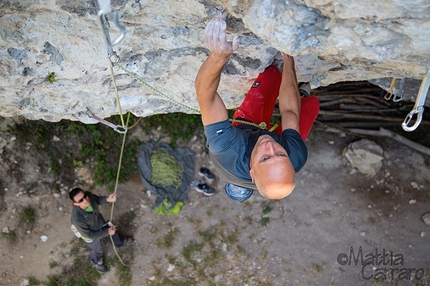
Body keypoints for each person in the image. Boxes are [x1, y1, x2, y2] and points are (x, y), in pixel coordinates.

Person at [195, 17, 320, 201]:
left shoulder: (227, 148)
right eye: (280, 153)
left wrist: (218, 56)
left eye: (265, 158)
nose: (270, 146)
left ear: (252, 173)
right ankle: (299, 91)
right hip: (261, 149)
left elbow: (206, 95)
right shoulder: (295, 157)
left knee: (271, 75)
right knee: (311, 105)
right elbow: (289, 112)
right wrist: (288, 57)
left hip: (245, 129)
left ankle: (281, 82)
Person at [69, 188, 134, 273]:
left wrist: (108, 199)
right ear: (76, 204)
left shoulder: (89, 196)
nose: (85, 199)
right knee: (96, 249)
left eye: (85, 196)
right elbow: (88, 235)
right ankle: (97, 262)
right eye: (81, 200)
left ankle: (120, 241)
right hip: (90, 235)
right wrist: (107, 232)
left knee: (113, 233)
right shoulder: (77, 218)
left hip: (100, 223)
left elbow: (97, 199)